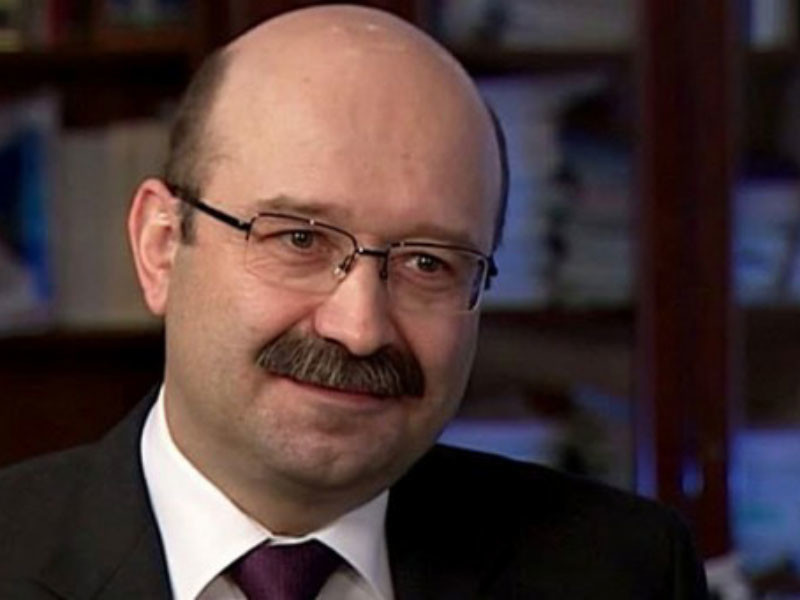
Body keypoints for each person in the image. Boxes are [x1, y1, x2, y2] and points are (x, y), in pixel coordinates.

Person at [0, 5, 708, 599]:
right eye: (300, 239)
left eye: (428, 262)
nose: (360, 328)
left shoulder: (624, 572)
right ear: (160, 247)